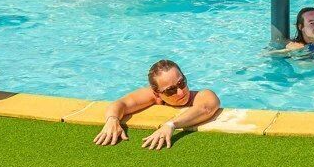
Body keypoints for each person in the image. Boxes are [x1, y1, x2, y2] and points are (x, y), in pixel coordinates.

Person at [92, 60, 221, 150]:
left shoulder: (204, 95)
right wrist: (112, 120)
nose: (181, 92)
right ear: (157, 93)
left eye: (181, 83)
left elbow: (205, 109)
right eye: (170, 90)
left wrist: (170, 125)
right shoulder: (153, 97)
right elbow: (120, 103)